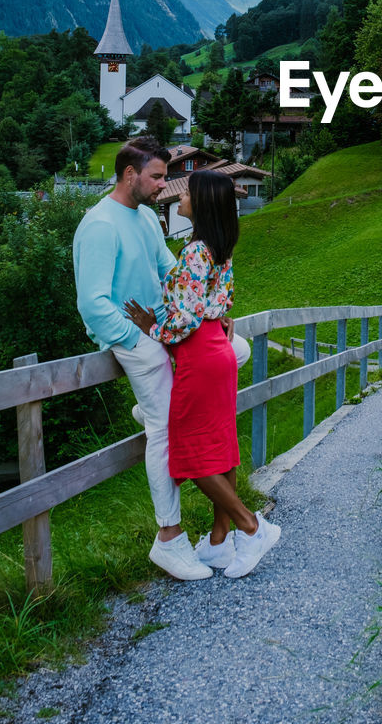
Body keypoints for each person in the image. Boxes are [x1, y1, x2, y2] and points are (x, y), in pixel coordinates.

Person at [73, 136, 247, 581]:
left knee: (236, 351)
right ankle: (168, 538)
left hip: (166, 327)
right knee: (165, 428)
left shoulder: (147, 217)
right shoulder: (99, 225)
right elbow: (93, 304)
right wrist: (145, 339)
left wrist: (213, 314)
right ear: (130, 174)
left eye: (166, 177)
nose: (163, 185)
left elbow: (174, 271)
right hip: (135, 337)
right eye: (156, 176)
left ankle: (154, 406)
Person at [124, 169, 281, 579]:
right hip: (218, 350)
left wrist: (150, 328)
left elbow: (186, 318)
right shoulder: (220, 249)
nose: (180, 196)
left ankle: (252, 527)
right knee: (221, 445)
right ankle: (217, 541)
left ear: (203, 202)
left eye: (188, 192)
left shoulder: (196, 252)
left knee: (190, 454)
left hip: (199, 355)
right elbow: (218, 302)